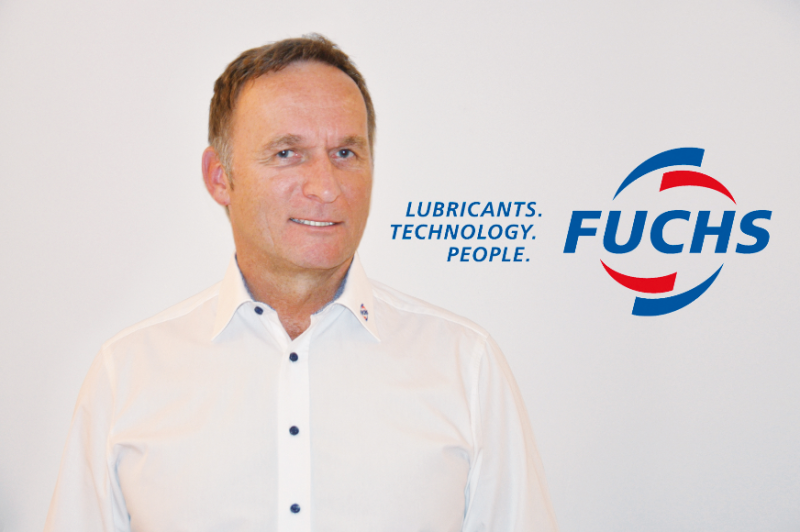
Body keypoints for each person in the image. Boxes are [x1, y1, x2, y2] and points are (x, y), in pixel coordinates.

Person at [44, 34, 558, 532]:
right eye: (287, 153)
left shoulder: (466, 365)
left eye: (345, 153)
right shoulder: (128, 374)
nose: (326, 187)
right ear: (220, 176)